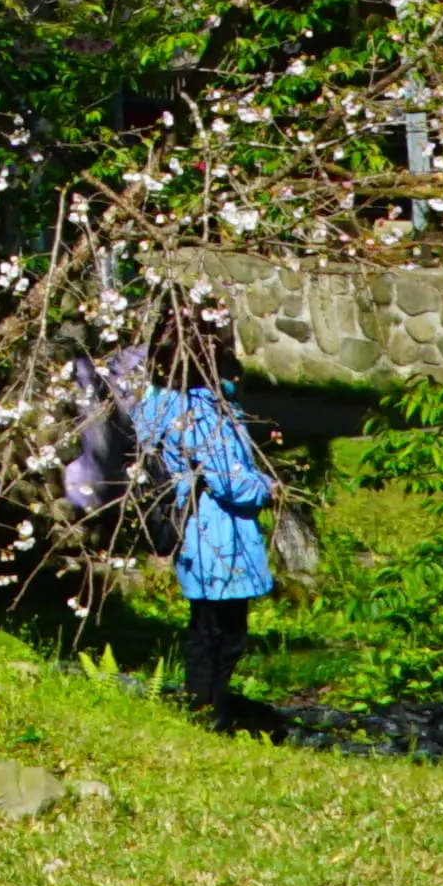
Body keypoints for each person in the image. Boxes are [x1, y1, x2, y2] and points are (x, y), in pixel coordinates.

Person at [127, 313, 285, 731]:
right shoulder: (201, 411)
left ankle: (206, 703)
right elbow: (228, 479)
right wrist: (266, 487)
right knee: (222, 630)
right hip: (216, 530)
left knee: (206, 623)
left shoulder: (157, 403)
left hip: (192, 527)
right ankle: (208, 708)